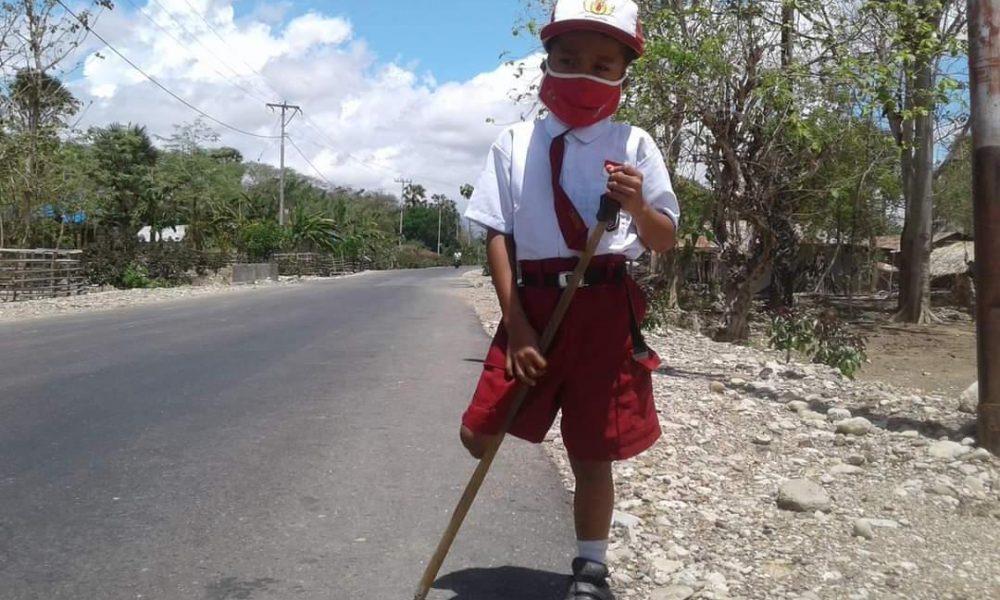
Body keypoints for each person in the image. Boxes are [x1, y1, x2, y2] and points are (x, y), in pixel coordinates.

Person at [459, 1, 680, 598]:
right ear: (546, 65)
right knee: (479, 431)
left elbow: (664, 238)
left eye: (604, 64)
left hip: (605, 312)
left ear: (624, 74)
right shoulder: (514, 142)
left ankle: (591, 569)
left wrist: (635, 206)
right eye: (570, 59)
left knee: (591, 451)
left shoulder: (634, 143)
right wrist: (520, 329)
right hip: (531, 305)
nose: (586, 74)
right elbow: (498, 233)